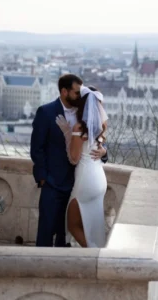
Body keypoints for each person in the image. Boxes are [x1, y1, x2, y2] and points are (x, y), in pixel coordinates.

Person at [30, 74, 108, 247]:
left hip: (78, 182)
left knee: (65, 232)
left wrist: (103, 152)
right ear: (64, 92)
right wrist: (44, 179)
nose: (79, 96)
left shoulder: (83, 117)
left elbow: (96, 143)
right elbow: (37, 148)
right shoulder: (46, 112)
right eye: (76, 92)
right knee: (47, 229)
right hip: (54, 183)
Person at [56, 85, 108, 247]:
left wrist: (66, 134)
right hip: (99, 179)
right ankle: (94, 251)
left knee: (72, 225)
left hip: (85, 180)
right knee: (91, 225)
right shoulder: (101, 127)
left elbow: (74, 158)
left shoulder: (79, 128)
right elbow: (99, 149)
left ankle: (94, 256)